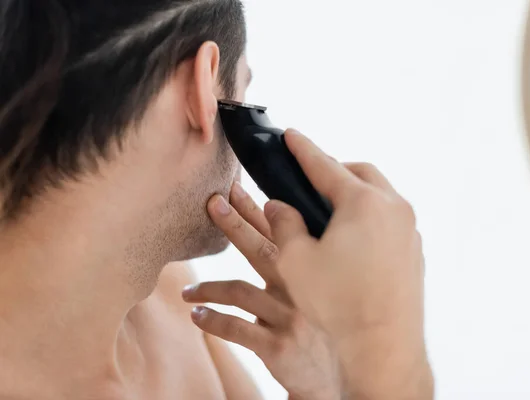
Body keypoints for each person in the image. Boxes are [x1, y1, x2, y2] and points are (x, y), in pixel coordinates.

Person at [0, 1, 432, 400]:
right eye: (242, 91)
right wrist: (385, 352)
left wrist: (322, 386)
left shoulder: (169, 301)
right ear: (204, 88)